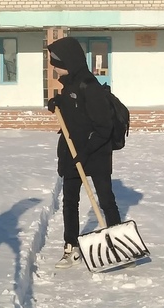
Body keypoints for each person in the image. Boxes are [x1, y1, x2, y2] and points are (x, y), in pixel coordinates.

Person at [45, 37, 122, 269]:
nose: (54, 68)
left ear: (69, 61)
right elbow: (73, 110)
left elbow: (103, 126)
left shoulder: (90, 86)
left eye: (56, 63)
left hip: (95, 151)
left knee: (106, 199)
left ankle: (119, 243)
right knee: (70, 200)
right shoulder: (68, 85)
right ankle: (71, 247)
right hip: (71, 150)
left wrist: (86, 152)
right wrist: (56, 103)